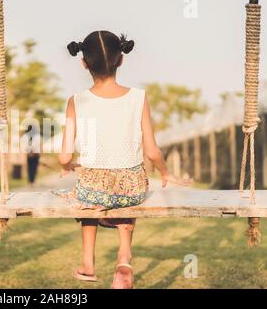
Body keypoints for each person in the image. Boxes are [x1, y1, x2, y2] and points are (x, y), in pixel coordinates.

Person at [58, 30, 191, 289]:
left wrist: (68, 165)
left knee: (88, 193)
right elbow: (152, 152)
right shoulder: (138, 97)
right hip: (131, 188)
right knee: (122, 184)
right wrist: (165, 173)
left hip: (91, 189)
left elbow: (64, 155)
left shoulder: (76, 101)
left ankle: (87, 263)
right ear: (121, 60)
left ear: (83, 62)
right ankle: (124, 257)